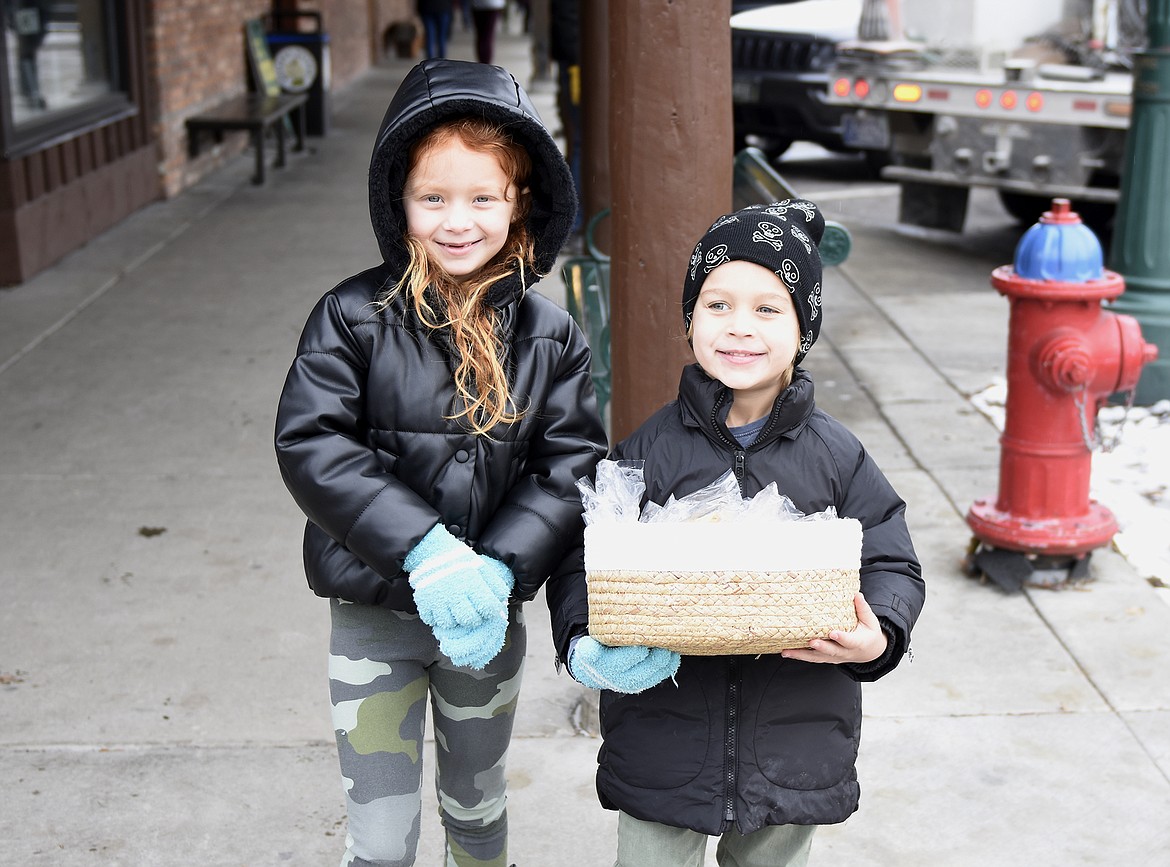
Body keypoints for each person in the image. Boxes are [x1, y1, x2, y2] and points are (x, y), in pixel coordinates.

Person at [275, 58, 608, 867]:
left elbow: (570, 464)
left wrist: (498, 567)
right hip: (374, 617)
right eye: (434, 198)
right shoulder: (352, 317)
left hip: (485, 623)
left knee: (478, 804)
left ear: (519, 203)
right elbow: (313, 442)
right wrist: (426, 549)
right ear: (400, 202)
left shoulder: (549, 333)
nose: (457, 221)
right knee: (380, 836)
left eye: (481, 198)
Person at [546, 201, 926, 866]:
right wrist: (582, 637)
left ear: (803, 328)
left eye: (767, 308)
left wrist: (877, 635)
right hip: (663, 735)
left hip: (795, 735)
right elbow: (583, 558)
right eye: (716, 305)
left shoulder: (838, 456)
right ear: (689, 318)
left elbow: (892, 557)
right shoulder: (646, 453)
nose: (738, 328)